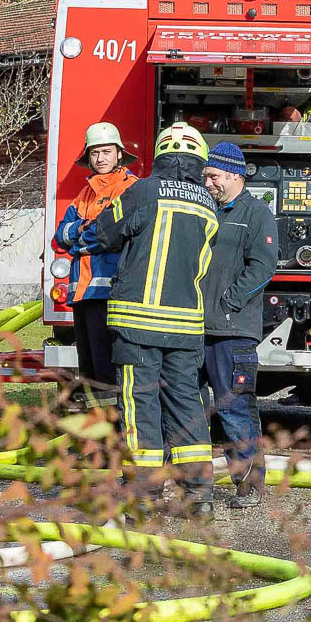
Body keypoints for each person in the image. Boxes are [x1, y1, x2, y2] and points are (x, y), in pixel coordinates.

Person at [82, 122, 220, 515]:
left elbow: (104, 233)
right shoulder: (208, 204)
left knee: (140, 404)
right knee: (187, 404)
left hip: (137, 323)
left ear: (160, 155)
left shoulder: (142, 191)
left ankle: (144, 495)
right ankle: (198, 495)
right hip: (186, 326)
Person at [199, 142, 279, 508]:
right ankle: (189, 486)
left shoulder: (256, 214)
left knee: (234, 409)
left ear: (235, 175)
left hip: (232, 332)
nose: (208, 182)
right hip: (194, 328)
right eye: (206, 176)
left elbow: (262, 268)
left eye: (213, 176)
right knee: (187, 410)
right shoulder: (205, 210)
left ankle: (249, 486)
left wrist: (227, 303)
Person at [54, 122, 136, 408]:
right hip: (83, 294)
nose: (100, 158)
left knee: (111, 368)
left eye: (106, 151)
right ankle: (99, 425)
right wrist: (84, 230)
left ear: (119, 153)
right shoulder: (85, 194)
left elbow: (112, 235)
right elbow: (60, 237)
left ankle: (117, 426)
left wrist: (81, 237)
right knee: (89, 369)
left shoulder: (130, 189)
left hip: (113, 294)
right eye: (95, 152)